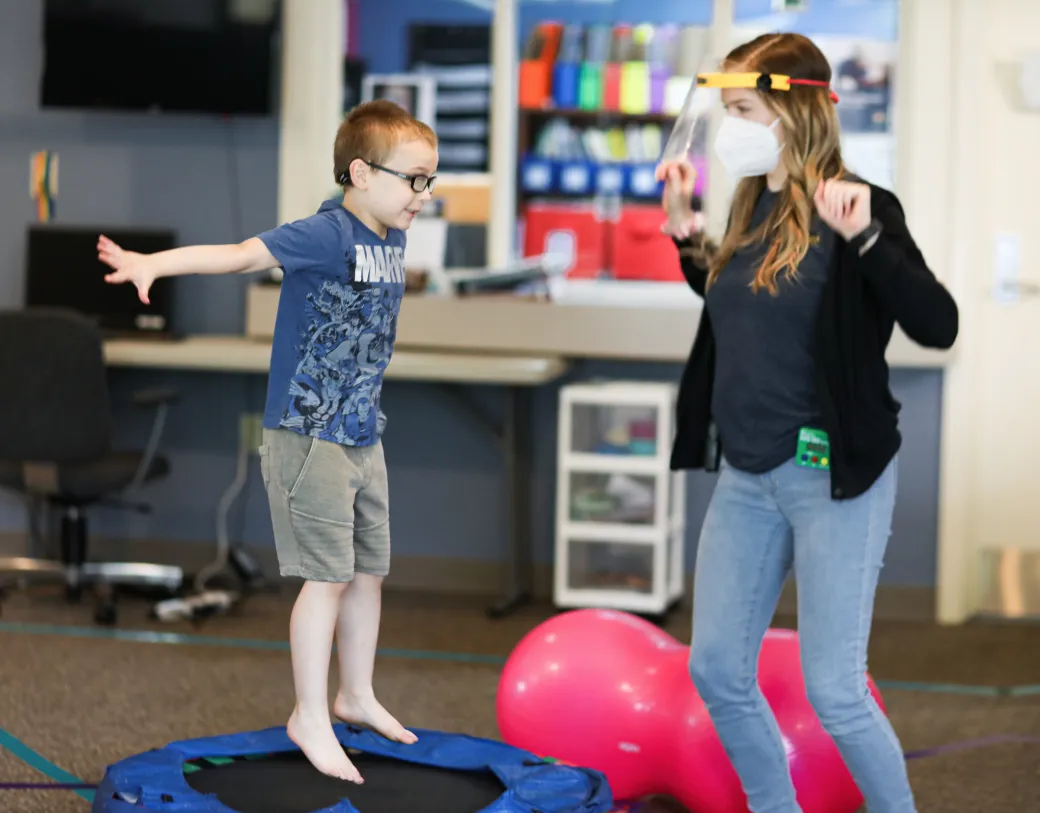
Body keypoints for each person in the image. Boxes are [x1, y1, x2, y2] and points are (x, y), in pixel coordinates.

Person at [655, 33, 957, 813]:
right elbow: (745, 309)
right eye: (727, 112)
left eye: (745, 110)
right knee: (717, 669)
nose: (733, 129)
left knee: (837, 692)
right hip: (748, 473)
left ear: (792, 111)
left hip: (832, 474)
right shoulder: (750, 199)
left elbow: (939, 322)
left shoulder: (859, 205)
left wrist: (868, 237)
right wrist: (690, 235)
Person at [98, 100, 439, 784]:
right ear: (361, 173)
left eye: (430, 181)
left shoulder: (390, 235)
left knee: (369, 570)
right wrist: (153, 264)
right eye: (414, 181)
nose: (423, 197)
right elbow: (238, 255)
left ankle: (355, 693)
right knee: (328, 577)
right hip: (309, 436)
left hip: (363, 433)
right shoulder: (325, 233)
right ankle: (309, 713)